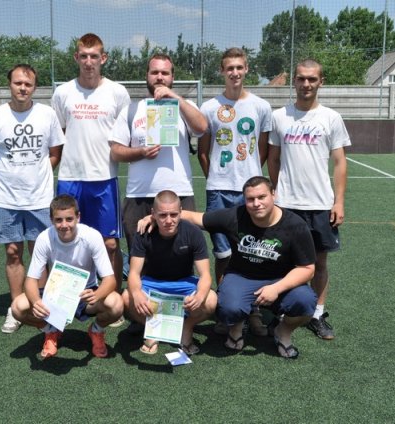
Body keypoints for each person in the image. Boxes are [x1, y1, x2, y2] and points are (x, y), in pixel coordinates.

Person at [138, 177, 317, 358]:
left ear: (273, 195)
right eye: (250, 199)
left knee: (306, 301)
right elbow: (195, 217)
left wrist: (276, 288)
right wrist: (154, 217)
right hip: (242, 277)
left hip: (279, 279)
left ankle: (283, 331)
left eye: (262, 197)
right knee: (228, 307)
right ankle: (236, 325)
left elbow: (308, 269)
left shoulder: (295, 225)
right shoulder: (235, 216)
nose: (256, 203)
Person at [0, 64, 65, 333]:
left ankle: (41, 306)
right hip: (6, 200)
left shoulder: (47, 115)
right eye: (18, 83)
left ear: (35, 87)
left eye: (28, 84)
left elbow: (55, 153)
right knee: (13, 253)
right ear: (9, 84)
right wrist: (7, 176)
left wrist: (37, 176)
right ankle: (16, 308)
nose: (23, 88)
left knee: (40, 254)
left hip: (40, 200)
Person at [267, 58, 351, 340]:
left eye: (312, 79)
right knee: (281, 262)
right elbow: (273, 159)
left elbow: (339, 163)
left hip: (320, 205)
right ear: (294, 81)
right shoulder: (280, 116)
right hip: (286, 205)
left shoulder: (331, 118)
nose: (306, 84)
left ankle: (317, 314)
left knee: (319, 263)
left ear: (321, 82)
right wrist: (276, 192)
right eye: (301, 78)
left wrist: (338, 201)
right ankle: (280, 312)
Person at [51, 34, 130, 313]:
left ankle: (113, 300)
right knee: (65, 239)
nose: (88, 62)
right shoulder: (63, 93)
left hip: (103, 179)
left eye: (94, 56)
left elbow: (123, 136)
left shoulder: (118, 93)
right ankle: (62, 304)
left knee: (110, 244)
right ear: (76, 58)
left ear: (103, 58)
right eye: (83, 56)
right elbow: (58, 135)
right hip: (70, 178)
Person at [198, 47, 272, 336]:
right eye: (230, 68)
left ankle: (253, 310)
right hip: (218, 190)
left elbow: (263, 150)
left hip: (248, 193)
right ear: (222, 71)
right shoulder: (209, 107)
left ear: (247, 69)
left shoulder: (261, 106)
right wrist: (217, 176)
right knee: (223, 254)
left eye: (239, 67)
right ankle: (225, 309)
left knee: (252, 252)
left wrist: (249, 178)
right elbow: (203, 152)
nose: (235, 73)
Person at [109, 53, 208, 252]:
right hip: (139, 196)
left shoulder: (186, 106)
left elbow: (202, 127)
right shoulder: (131, 110)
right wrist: (141, 152)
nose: (160, 77)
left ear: (172, 77)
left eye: (165, 73)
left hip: (180, 194)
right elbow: (116, 152)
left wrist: (175, 98)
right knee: (140, 257)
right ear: (147, 75)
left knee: (182, 255)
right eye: (155, 72)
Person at [11, 194, 123, 359]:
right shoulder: (44, 238)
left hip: (85, 293)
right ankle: (50, 331)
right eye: (58, 220)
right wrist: (36, 302)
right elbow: (30, 281)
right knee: (17, 307)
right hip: (55, 293)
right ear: (51, 220)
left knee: (116, 304)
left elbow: (110, 280)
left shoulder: (92, 236)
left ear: (78, 217)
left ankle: (96, 330)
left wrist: (97, 295)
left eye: (69, 219)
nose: (64, 225)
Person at [123, 190, 217, 355]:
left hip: (184, 283)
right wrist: (137, 294)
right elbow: (134, 273)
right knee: (126, 297)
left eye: (173, 215)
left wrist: (200, 296)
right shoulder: (144, 233)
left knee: (210, 299)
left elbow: (205, 275)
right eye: (162, 215)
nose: (168, 220)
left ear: (181, 212)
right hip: (152, 283)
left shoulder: (193, 232)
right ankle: (153, 328)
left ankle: (186, 327)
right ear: (153, 213)